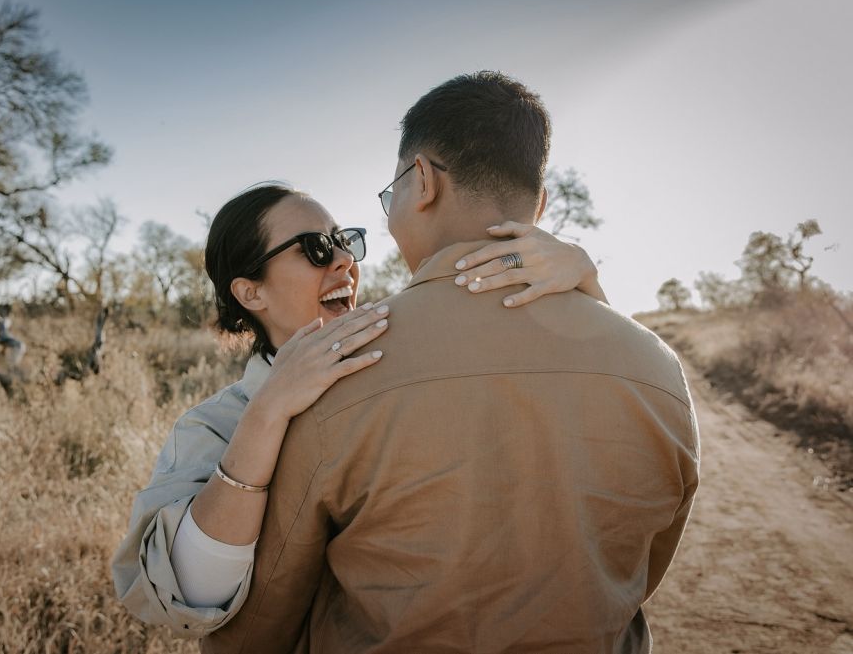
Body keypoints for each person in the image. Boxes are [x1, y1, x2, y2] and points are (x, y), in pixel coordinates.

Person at [202, 71, 700, 654]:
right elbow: (640, 572)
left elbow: (266, 615)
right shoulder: (659, 370)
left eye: (390, 196)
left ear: (422, 181)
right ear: (538, 204)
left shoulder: (339, 367)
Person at [111, 182, 607, 636]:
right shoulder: (215, 426)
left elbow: (577, 411)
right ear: (251, 291)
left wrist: (586, 285)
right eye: (316, 248)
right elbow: (191, 597)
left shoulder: (416, 366)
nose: (345, 261)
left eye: (344, 240)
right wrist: (268, 415)